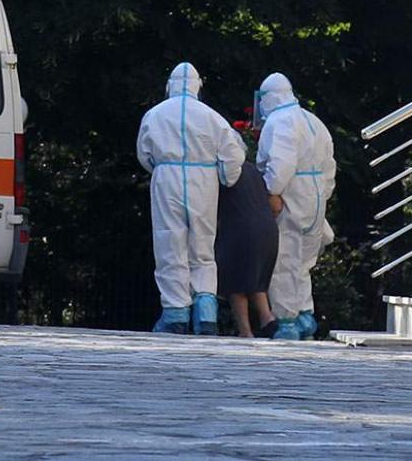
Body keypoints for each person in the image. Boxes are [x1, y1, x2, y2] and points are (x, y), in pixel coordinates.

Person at [136, 63, 246, 335]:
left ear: (169, 85)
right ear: (198, 86)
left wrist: (162, 168)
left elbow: (144, 153)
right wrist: (225, 176)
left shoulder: (155, 114)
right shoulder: (212, 117)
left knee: (169, 242)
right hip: (203, 181)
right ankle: (206, 313)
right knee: (203, 246)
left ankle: (175, 312)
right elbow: (233, 154)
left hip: (168, 178)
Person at [255, 73, 336, 340]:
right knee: (303, 264)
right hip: (315, 197)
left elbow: (281, 164)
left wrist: (271, 191)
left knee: (284, 260)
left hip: (291, 194)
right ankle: (305, 316)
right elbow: (330, 166)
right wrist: (322, 195)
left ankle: (287, 321)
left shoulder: (279, 121)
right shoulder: (313, 121)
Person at [214, 160, 279, 338]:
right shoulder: (252, 170)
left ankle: (245, 330)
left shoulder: (224, 171)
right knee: (254, 277)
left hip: (241, 227)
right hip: (268, 229)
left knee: (234, 280)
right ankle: (267, 318)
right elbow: (273, 204)